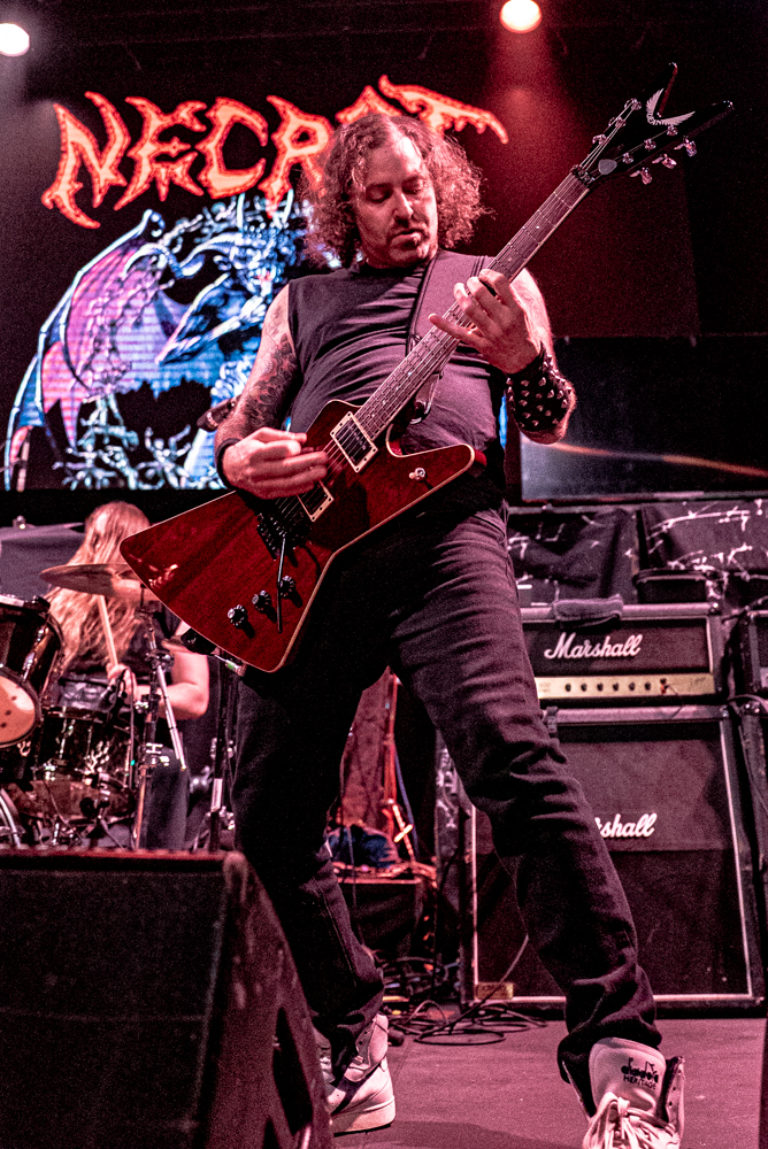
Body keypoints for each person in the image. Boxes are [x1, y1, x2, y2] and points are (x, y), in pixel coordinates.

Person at [212, 114, 684, 1148]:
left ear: (444, 187)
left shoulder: (493, 279)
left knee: (514, 759)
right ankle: (353, 1028)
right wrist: (239, 461)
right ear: (347, 207)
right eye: (378, 193)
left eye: (416, 185)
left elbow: (547, 416)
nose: (404, 207)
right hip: (315, 563)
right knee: (269, 811)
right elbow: (242, 426)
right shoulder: (305, 302)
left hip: (445, 540)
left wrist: (524, 358)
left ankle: (623, 1049)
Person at [46, 500, 209, 848]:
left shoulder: (162, 608)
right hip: (63, 745)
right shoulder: (60, 606)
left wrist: (138, 694)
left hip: (129, 747)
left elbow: (196, 696)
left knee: (168, 769)